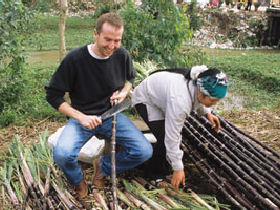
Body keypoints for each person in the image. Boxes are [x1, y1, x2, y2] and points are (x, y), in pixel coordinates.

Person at [45, 12, 152, 198]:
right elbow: (53, 95)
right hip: (82, 118)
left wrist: (124, 92)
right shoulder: (75, 59)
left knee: (143, 151)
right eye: (107, 39)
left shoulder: (122, 55)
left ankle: (102, 167)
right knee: (62, 154)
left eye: (117, 40)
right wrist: (81, 117)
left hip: (111, 115)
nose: (112, 46)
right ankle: (78, 181)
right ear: (95, 34)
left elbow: (130, 79)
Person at [132, 65, 230, 191]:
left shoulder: (197, 85)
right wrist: (178, 168)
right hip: (146, 99)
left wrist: (207, 112)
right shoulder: (180, 100)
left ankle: (166, 167)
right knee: (163, 138)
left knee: (169, 137)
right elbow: (171, 136)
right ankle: (154, 174)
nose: (215, 103)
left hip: (162, 97)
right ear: (201, 91)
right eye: (213, 100)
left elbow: (199, 100)